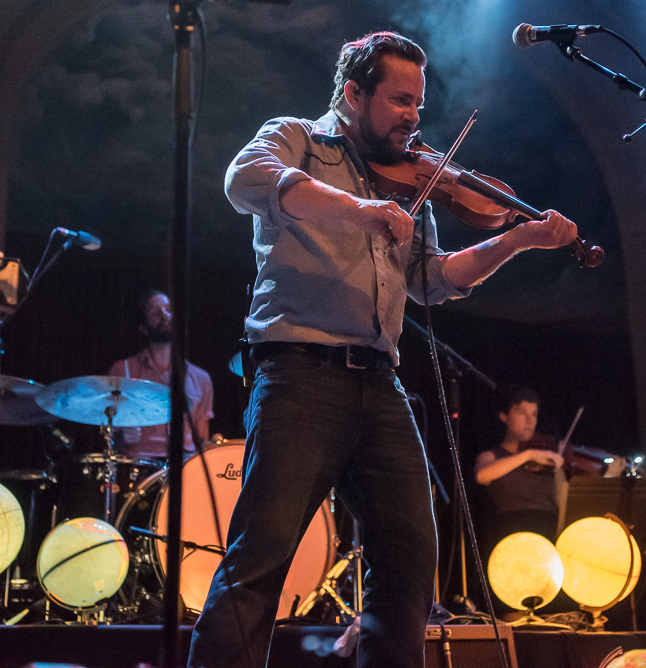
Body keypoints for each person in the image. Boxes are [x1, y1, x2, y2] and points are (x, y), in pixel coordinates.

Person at [187, 32, 577, 668]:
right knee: (261, 559)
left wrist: (517, 241)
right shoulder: (298, 139)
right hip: (298, 374)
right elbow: (245, 179)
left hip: (381, 382)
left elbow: (433, 279)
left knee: (409, 565)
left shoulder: (410, 180)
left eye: (418, 104)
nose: (412, 117)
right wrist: (361, 210)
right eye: (399, 100)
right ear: (353, 94)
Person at [108, 290, 213, 458]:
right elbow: (108, 439)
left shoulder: (202, 379)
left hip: (185, 469)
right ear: (143, 328)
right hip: (140, 467)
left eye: (168, 309)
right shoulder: (122, 371)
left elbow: (201, 440)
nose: (165, 315)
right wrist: (120, 437)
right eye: (155, 312)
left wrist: (214, 445)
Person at [474, 385, 564, 548]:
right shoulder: (491, 456)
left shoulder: (547, 455)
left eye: (534, 415)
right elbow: (482, 475)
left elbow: (561, 502)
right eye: (522, 412)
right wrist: (528, 455)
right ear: (504, 416)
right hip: (512, 539)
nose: (530, 422)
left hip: (550, 538)